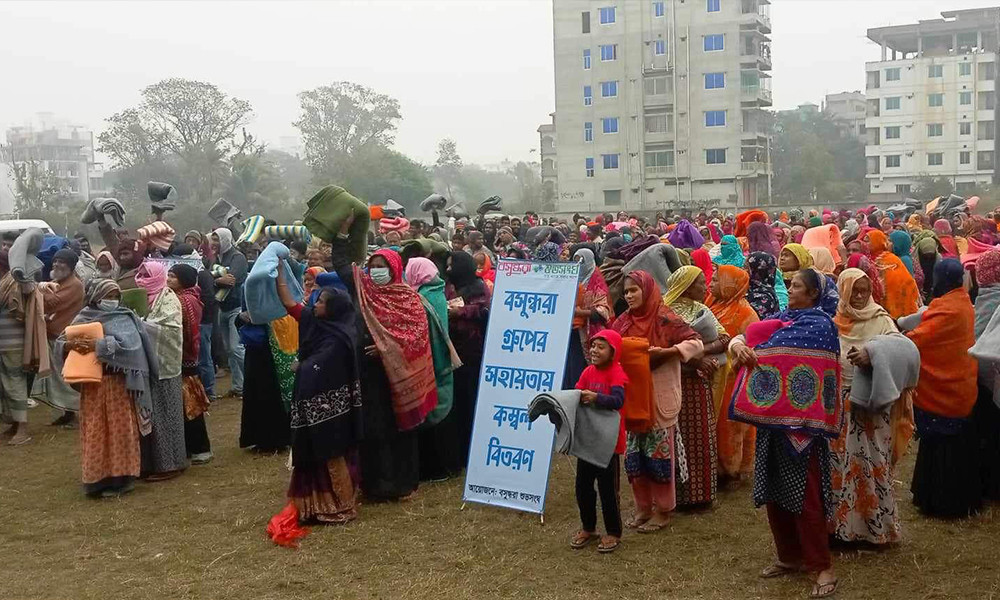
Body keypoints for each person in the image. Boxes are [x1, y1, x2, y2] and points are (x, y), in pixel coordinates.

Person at [729, 268, 839, 598]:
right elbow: (744, 338)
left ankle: (821, 566)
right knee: (775, 491)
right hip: (771, 420)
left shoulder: (821, 326)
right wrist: (739, 349)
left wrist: (755, 354)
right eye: (790, 285)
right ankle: (788, 556)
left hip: (802, 428)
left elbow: (802, 366)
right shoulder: (782, 318)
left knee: (806, 497)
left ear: (814, 294)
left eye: (797, 286)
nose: (790, 290)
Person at [611, 270, 703, 533]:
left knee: (659, 455)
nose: (628, 296)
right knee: (634, 456)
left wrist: (671, 351)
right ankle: (643, 507)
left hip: (659, 397)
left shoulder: (666, 318)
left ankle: (663, 510)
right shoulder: (623, 322)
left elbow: (696, 342)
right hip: (632, 398)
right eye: (626, 291)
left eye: (634, 290)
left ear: (647, 290)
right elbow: (611, 344)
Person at [829, 268, 913, 544]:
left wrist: (872, 353)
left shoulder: (881, 319)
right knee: (841, 464)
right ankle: (840, 529)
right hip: (839, 404)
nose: (860, 295)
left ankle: (874, 529)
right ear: (843, 290)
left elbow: (903, 348)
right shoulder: (834, 319)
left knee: (871, 461)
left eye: (865, 289)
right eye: (854, 290)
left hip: (871, 405)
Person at [57, 279, 156, 497]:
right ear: (94, 296)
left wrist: (98, 345)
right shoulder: (83, 316)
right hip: (93, 386)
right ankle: (96, 479)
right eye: (107, 296)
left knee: (121, 431)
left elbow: (133, 348)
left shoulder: (126, 317)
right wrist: (70, 345)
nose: (111, 301)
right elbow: (61, 341)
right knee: (96, 430)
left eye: (114, 296)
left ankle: (122, 478)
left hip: (120, 385)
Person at [278, 279, 363, 524]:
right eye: (317, 300)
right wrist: (278, 266)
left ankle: (337, 505)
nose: (316, 305)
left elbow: (322, 365)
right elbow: (289, 303)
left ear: (335, 308)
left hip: (333, 411)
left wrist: (301, 366)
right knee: (312, 453)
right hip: (313, 407)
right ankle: (312, 506)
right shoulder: (316, 323)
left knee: (330, 453)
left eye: (323, 302)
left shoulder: (341, 336)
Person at [355, 249, 437, 500]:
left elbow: (417, 338)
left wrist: (384, 349)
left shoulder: (409, 298)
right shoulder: (365, 293)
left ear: (394, 268)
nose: (376, 271)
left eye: (382, 266)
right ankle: (376, 485)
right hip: (371, 375)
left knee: (400, 429)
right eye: (373, 265)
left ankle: (402, 483)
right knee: (374, 427)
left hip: (400, 378)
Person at [906, 258, 982, 518]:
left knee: (941, 448)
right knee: (951, 448)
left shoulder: (949, 308)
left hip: (946, 389)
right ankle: (946, 496)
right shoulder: (961, 301)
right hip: (962, 383)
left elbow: (920, 338)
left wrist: (893, 344)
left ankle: (941, 501)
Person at [662, 265, 726, 507]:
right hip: (671, 379)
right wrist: (695, 357)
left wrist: (701, 351)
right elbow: (660, 348)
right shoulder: (664, 312)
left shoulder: (702, 309)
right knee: (673, 437)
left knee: (699, 437)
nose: (705, 287)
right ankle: (675, 494)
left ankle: (700, 495)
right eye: (700, 283)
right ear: (687, 287)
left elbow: (724, 338)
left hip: (697, 382)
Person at [404, 257, 462, 481]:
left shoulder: (422, 297)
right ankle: (449, 465)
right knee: (445, 413)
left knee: (434, 415)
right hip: (442, 362)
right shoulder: (437, 292)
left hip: (431, 362)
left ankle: (436, 468)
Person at [570, 329, 627, 554]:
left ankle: (613, 532)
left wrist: (596, 398)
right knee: (582, 486)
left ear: (613, 352)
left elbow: (618, 400)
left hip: (608, 443)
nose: (594, 350)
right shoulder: (587, 372)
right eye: (593, 346)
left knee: (608, 490)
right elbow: (576, 393)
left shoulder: (616, 373)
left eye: (601, 347)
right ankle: (588, 527)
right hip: (588, 442)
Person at [706, 265, 760, 486]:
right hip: (712, 374)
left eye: (717, 280)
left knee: (731, 425)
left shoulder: (747, 314)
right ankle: (714, 467)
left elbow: (753, 348)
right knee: (714, 422)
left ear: (730, 285)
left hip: (733, 377)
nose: (711, 283)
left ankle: (732, 470)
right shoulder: (712, 304)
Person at [135, 261, 188, 479]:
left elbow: (171, 330)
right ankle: (150, 464)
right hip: (145, 365)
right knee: (148, 415)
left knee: (165, 415)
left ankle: (170, 465)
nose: (141, 279)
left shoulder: (168, 298)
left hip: (165, 367)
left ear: (158, 276)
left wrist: (139, 325)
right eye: (140, 275)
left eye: (147, 275)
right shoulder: (142, 297)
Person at [445, 251, 492, 467]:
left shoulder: (479, 286)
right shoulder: (448, 287)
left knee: (472, 400)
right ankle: (460, 451)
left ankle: (475, 449)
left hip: (474, 352)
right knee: (458, 404)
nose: (448, 269)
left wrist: (462, 312)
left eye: (451, 265)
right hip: (453, 351)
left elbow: (485, 311)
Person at [167, 264, 213, 465]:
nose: (168, 280)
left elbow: (185, 331)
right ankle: (189, 447)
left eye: (173, 277)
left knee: (191, 405)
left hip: (185, 358)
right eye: (168, 276)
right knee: (183, 405)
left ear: (184, 280)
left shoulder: (185, 300)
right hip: (182, 357)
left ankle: (201, 448)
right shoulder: (185, 297)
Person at [37, 249, 85, 428]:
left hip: (65, 339)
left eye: (62, 262)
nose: (56, 264)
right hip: (53, 337)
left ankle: (76, 414)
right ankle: (67, 413)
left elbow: (51, 303)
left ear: (71, 267)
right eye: (55, 261)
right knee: (57, 378)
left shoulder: (75, 285)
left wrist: (38, 290)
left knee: (68, 379)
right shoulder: (56, 282)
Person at [0, 249, 33, 445]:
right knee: (5, 387)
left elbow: (29, 291)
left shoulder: (13, 282)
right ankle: (13, 424)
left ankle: (23, 429)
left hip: (14, 343)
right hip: (3, 343)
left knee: (15, 384)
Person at [566, 248, 612, 388]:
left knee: (582, 369)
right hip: (571, 332)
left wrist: (581, 312)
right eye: (576, 261)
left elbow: (604, 311)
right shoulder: (570, 279)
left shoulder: (596, 281)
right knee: (570, 369)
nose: (579, 265)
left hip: (588, 333)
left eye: (581, 261)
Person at [211, 228, 248, 398]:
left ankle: (254, 378)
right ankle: (238, 386)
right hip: (222, 308)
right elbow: (207, 277)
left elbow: (232, 280)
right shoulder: (216, 258)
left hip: (236, 308)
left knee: (236, 348)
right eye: (213, 240)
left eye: (217, 239)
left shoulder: (237, 257)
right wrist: (218, 279)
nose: (214, 243)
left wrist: (214, 279)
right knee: (229, 350)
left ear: (226, 240)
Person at [866, 230, 921, 320]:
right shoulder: (870, 259)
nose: (888, 243)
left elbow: (902, 285)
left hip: (896, 306)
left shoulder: (895, 260)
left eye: (890, 241)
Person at [745, 251, 780, 319]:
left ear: (758, 270)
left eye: (747, 267)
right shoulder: (749, 288)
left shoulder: (764, 297)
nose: (743, 270)